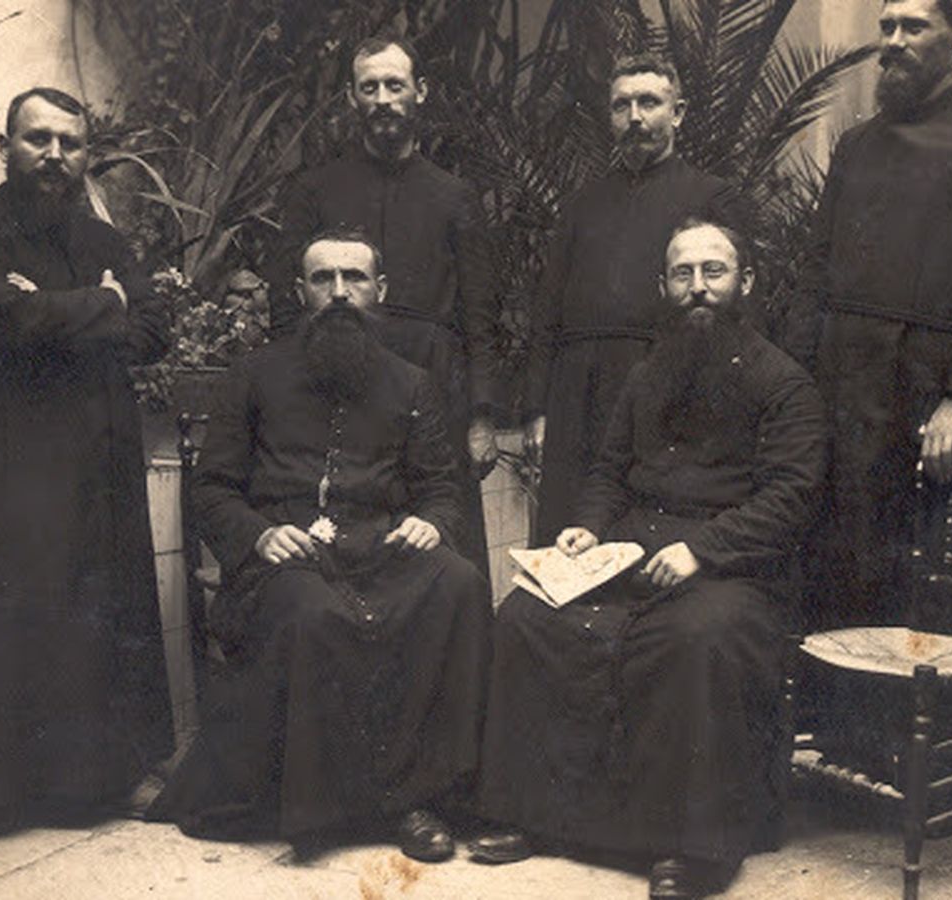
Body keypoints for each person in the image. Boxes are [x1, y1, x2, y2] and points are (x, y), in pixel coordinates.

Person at [473, 220, 825, 899]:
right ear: (663, 287)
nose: (699, 288)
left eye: (713, 272)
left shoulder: (785, 385)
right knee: (528, 617)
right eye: (683, 274)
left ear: (744, 283)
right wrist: (585, 529)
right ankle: (536, 817)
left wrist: (704, 550)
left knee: (694, 639)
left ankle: (693, 847)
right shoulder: (647, 375)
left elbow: (793, 497)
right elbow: (609, 470)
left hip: (737, 569)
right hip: (632, 553)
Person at [148, 228, 491, 863]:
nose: (339, 293)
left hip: (383, 554)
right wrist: (259, 534)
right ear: (300, 291)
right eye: (323, 279)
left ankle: (426, 796)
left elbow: (442, 489)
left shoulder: (411, 384)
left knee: (460, 584)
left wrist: (434, 523)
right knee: (317, 613)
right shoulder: (253, 376)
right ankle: (355, 808)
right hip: (286, 560)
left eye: (354, 278)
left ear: (379, 291)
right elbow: (213, 489)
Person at [0, 87, 173, 828]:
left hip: (96, 456)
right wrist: (104, 306)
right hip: (5, 459)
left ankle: (89, 789)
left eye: (69, 143)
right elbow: (6, 318)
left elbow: (155, 327)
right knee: (15, 616)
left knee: (93, 618)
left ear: (85, 154)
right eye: (38, 139)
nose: (54, 156)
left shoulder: (104, 240)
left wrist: (55, 309)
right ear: (5, 148)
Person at [802, 0, 952, 628]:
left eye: (914, 26)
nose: (894, 41)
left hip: (934, 403)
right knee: (846, 573)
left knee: (941, 597)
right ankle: (848, 723)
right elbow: (813, 270)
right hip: (846, 392)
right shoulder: (856, 145)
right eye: (887, 26)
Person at [269, 36, 501, 578]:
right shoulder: (313, 190)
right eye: (368, 87)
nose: (382, 98)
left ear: (419, 92)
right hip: (336, 381)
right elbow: (286, 303)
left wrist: (483, 416)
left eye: (394, 85)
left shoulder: (454, 196)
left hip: (436, 383)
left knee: (443, 542)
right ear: (352, 98)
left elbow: (481, 314)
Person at [524, 53, 747, 543]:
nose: (635, 117)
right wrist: (538, 410)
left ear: (679, 112)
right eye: (622, 105)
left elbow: (736, 310)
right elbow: (547, 309)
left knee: (640, 528)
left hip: (663, 381)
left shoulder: (712, 196)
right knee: (566, 530)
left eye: (649, 102)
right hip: (575, 391)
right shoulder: (582, 204)